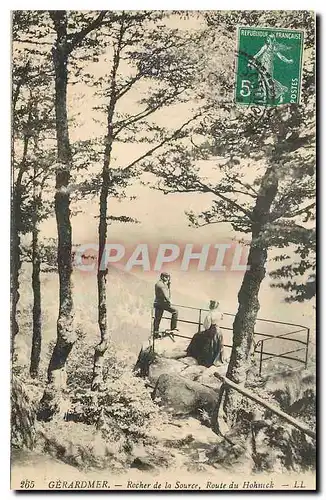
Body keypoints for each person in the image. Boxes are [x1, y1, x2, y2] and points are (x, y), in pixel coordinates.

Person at [186, 299, 225, 367]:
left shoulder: (210, 314)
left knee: (197, 336)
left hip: (212, 332)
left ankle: (194, 354)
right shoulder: (220, 313)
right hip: (219, 332)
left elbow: (206, 326)